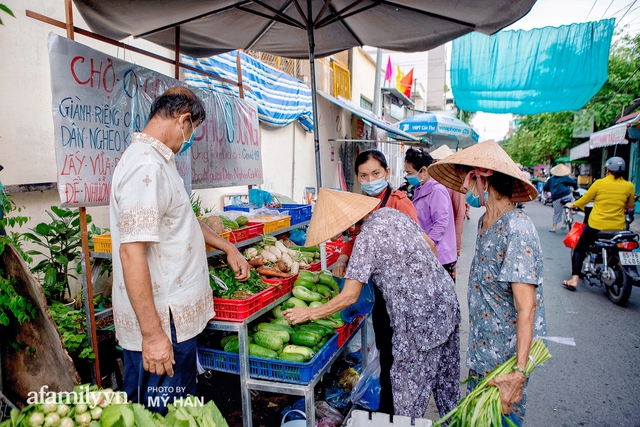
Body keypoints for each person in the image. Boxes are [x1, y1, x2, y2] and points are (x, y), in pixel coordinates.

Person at [110, 86, 250, 412]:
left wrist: (228, 247)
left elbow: (183, 218)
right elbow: (132, 252)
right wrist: (153, 336)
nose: (188, 140)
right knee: (160, 414)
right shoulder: (146, 167)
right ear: (184, 120)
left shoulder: (160, 161)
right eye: (192, 131)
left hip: (174, 325)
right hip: (163, 328)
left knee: (178, 412)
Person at [284, 188, 461, 419]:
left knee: (407, 397)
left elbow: (350, 295)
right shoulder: (392, 214)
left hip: (417, 322)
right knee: (447, 387)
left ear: (349, 224)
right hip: (446, 301)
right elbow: (431, 246)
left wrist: (309, 314)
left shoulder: (365, 239)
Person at [428, 140, 547, 426]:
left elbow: (526, 309)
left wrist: (518, 374)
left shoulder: (517, 228)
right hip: (482, 354)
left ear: (481, 176)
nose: (463, 188)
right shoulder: (485, 222)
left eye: (465, 178)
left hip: (505, 363)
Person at [330, 149, 436, 415]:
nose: (370, 179)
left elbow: (417, 244)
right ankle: (390, 408)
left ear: (387, 173)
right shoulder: (359, 204)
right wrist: (343, 257)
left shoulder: (399, 201)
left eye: (376, 173)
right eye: (364, 175)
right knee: (385, 348)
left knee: (398, 355)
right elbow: (354, 238)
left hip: (402, 293)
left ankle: (396, 411)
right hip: (379, 289)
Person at [562, 156, 635, 290]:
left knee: (578, 249)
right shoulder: (629, 186)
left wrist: (572, 205)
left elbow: (585, 199)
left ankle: (574, 280)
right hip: (618, 227)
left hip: (597, 225)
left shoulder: (599, 183)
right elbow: (630, 205)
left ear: (607, 170)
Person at [404, 147, 457, 279]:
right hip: (426, 253)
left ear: (424, 170)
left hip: (439, 256)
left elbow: (441, 222)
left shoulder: (437, 190)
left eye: (409, 172)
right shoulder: (420, 189)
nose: (408, 176)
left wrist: (427, 245)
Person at [429, 145, 467, 258]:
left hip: (447, 243)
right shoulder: (431, 182)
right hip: (433, 238)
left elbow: (460, 214)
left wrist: (457, 245)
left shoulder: (454, 185)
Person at [544, 164, 577, 233]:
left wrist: (551, 190)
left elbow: (545, 188)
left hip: (556, 198)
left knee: (557, 212)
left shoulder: (551, 179)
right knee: (572, 199)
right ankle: (573, 210)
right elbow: (574, 183)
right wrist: (575, 188)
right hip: (566, 194)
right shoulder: (565, 177)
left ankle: (553, 228)